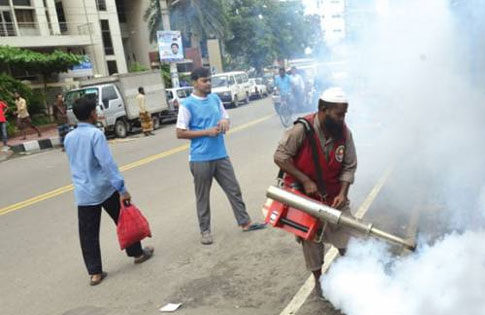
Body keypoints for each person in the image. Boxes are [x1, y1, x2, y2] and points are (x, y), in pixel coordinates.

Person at [273, 87, 357, 295]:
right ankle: (320, 283)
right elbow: (280, 157)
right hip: (305, 198)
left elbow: (349, 166)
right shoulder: (302, 129)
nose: (342, 118)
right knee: (311, 240)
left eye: (344, 114)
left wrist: (343, 193)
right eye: (338, 114)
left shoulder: (345, 133)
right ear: (323, 109)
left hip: (334, 196)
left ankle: (356, 279)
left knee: (349, 238)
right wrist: (305, 180)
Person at [63, 95, 154, 286]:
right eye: (95, 111)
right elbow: (107, 164)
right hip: (104, 188)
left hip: (83, 193)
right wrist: (122, 188)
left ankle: (95, 273)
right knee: (123, 220)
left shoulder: (69, 138)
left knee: (88, 234)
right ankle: (137, 253)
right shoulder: (95, 135)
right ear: (91, 114)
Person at [176, 67, 266, 245]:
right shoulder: (187, 104)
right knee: (203, 196)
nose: (208, 83)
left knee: (233, 189)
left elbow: (225, 117)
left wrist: (225, 121)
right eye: (204, 80)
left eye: (209, 80)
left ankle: (245, 222)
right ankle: (205, 231)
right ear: (195, 83)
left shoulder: (215, 99)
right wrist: (206, 132)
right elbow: (180, 133)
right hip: (200, 158)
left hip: (220, 154)